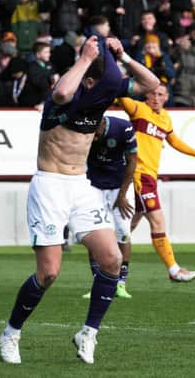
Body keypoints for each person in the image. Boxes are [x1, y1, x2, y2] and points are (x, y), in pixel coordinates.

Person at [0, 35, 159, 364]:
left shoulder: (104, 95)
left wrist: (124, 55)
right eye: (98, 84)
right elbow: (60, 92)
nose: (105, 92)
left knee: (112, 260)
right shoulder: (64, 97)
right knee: (49, 273)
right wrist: (85, 57)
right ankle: (11, 333)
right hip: (49, 186)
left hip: (81, 186)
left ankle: (88, 333)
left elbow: (151, 83)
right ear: (88, 80)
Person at [116, 84, 195, 282]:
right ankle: (174, 270)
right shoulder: (138, 108)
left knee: (126, 227)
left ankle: (110, 268)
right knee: (157, 221)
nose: (156, 97)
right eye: (152, 93)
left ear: (167, 97)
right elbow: (118, 96)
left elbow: (174, 141)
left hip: (150, 176)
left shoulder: (165, 117)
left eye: (160, 94)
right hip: (139, 175)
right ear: (146, 94)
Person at [83, 115, 138, 299]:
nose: (94, 138)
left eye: (96, 134)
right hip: (95, 185)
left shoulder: (123, 128)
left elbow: (132, 161)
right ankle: (98, 284)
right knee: (94, 233)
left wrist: (122, 195)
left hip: (119, 186)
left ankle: (121, 283)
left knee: (123, 232)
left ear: (103, 124)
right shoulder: (84, 130)